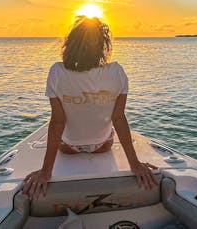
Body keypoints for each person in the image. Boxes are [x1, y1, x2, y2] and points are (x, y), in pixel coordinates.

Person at [23, 16, 157, 199]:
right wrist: (135, 164)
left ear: (70, 44)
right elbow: (118, 119)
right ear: (103, 46)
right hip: (102, 145)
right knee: (109, 128)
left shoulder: (57, 72)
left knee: (59, 121)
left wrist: (46, 172)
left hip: (68, 147)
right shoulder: (117, 72)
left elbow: (57, 122)